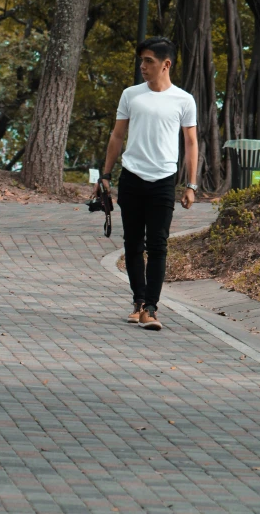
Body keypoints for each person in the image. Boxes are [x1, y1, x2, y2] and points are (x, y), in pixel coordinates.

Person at [98, 36, 198, 331]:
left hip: (164, 181)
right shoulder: (131, 95)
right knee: (132, 244)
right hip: (132, 177)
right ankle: (139, 302)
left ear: (166, 65)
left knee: (158, 245)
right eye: (141, 60)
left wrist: (191, 184)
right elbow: (117, 136)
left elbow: (191, 143)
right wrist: (105, 175)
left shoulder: (184, 100)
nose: (142, 66)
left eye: (148, 61)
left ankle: (152, 308)